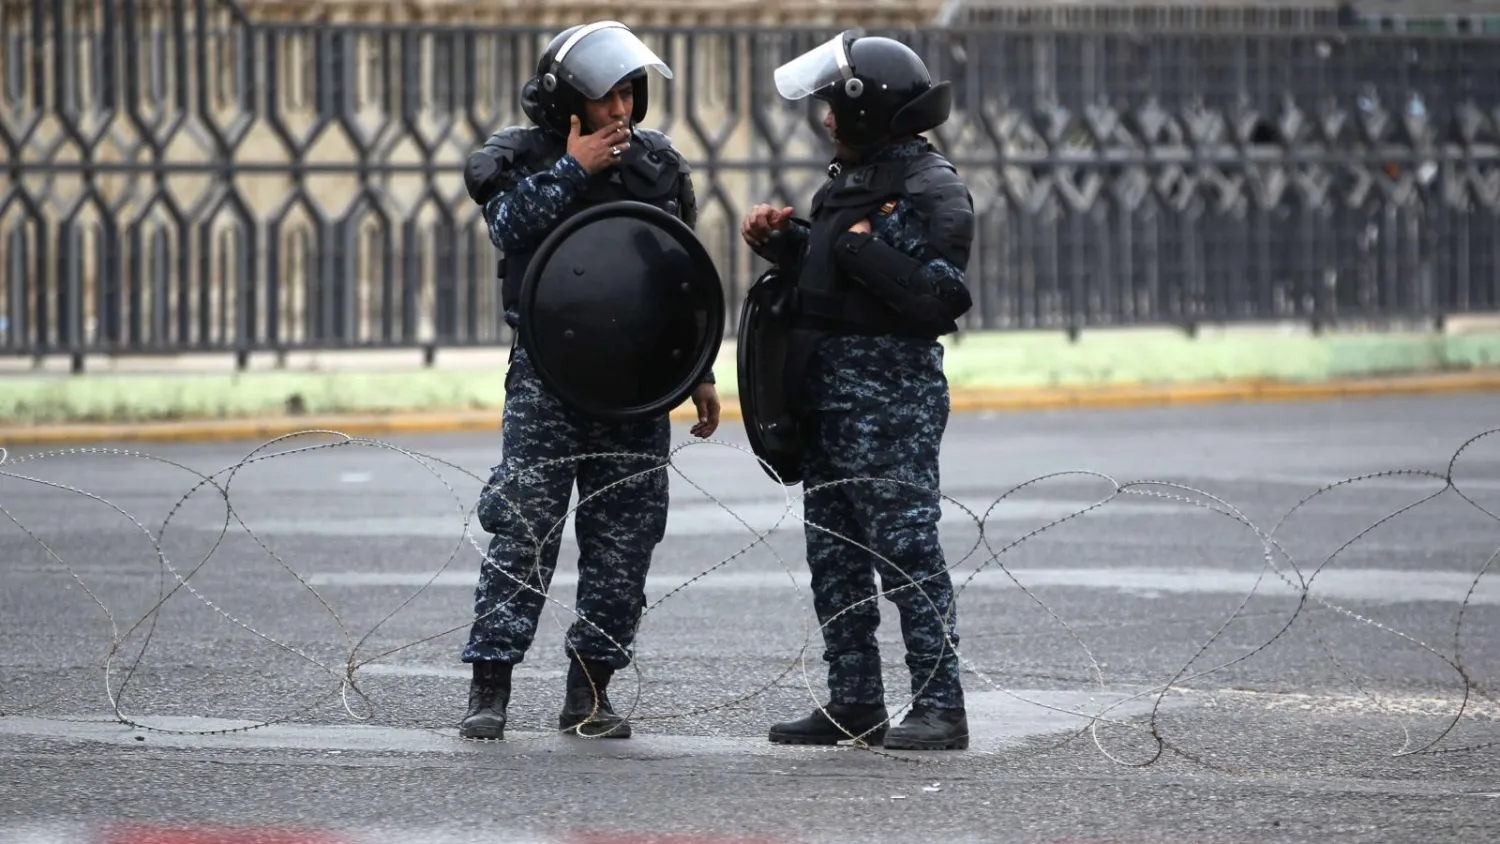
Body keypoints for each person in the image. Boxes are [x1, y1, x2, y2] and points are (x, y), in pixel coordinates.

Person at [457, 20, 721, 741]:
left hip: (636, 385)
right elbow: (508, 229)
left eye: (630, 96)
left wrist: (699, 371)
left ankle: (591, 693)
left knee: (624, 542)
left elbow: (683, 272)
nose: (622, 112)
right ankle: (490, 688)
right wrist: (574, 169)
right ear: (570, 99)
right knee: (524, 533)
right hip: (550, 379)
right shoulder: (523, 158)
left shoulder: (659, 166)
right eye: (609, 98)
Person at [740, 32, 976, 750]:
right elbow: (838, 280)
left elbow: (939, 296)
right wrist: (788, 245)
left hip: (887, 405)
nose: (825, 121)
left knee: (906, 553)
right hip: (830, 403)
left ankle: (940, 707)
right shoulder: (855, 178)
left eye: (834, 109)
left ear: (867, 109)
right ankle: (855, 702)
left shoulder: (930, 185)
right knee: (835, 558)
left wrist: (854, 247)